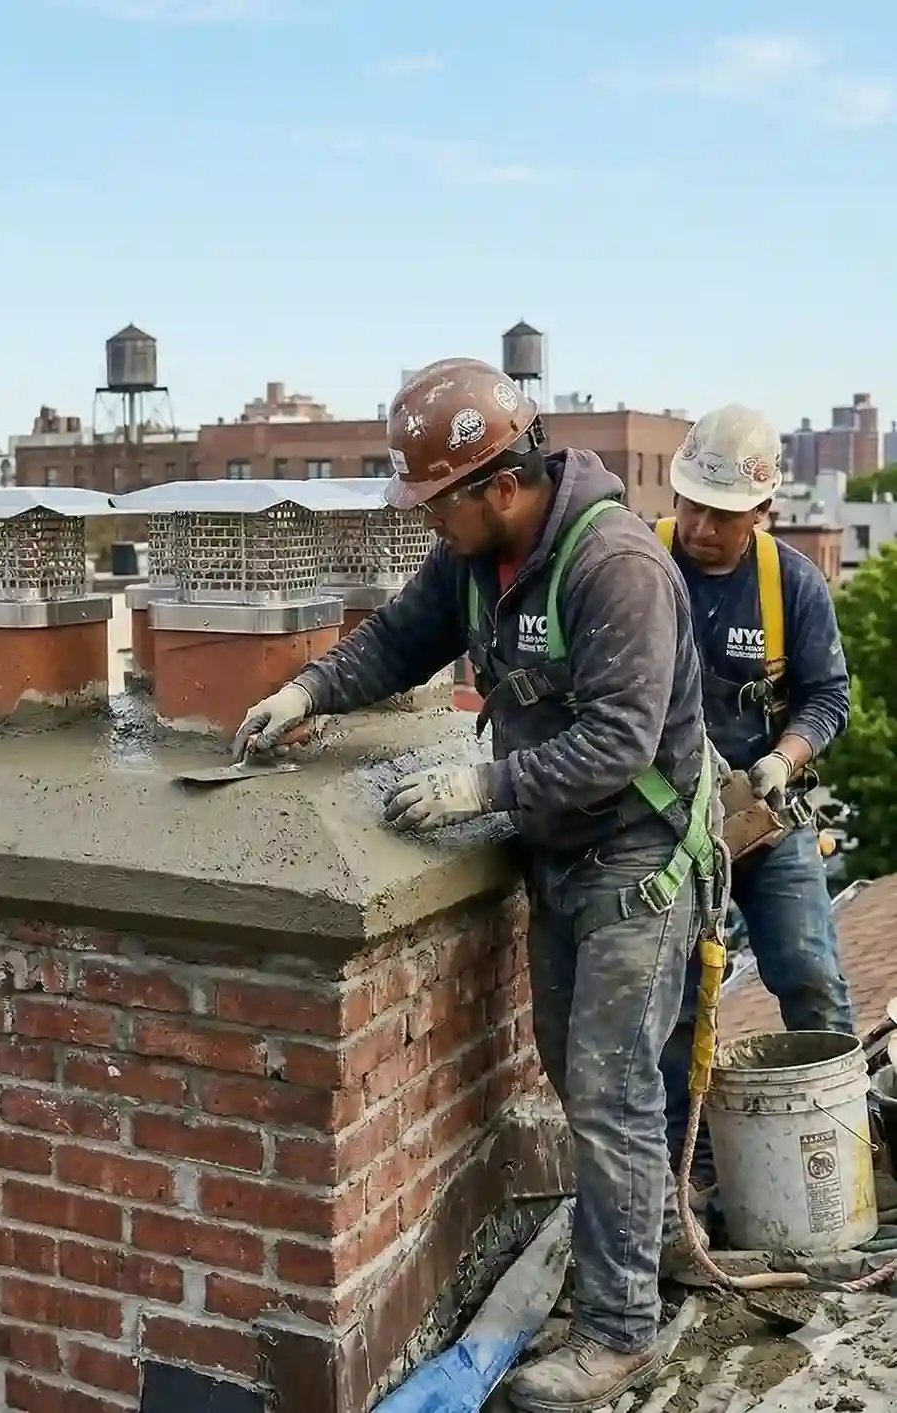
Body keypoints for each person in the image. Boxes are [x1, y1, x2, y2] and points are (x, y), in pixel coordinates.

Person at [233, 356, 721, 1413]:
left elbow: (617, 740)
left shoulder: (614, 568)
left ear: (500, 485)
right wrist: (307, 689)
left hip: (638, 858)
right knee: (585, 1076)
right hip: (561, 852)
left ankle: (619, 1331)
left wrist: (480, 784)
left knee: (610, 1091)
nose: (426, 526)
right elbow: (404, 637)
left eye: (435, 504)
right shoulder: (475, 561)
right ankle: (643, 1245)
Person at [655, 406, 854, 1192]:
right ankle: (688, 1169)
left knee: (807, 969)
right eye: (691, 505)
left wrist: (782, 756)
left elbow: (826, 699)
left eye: (722, 514)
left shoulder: (789, 586)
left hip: (762, 823)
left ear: (762, 512)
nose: (700, 526)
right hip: (665, 827)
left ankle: (836, 1141)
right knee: (671, 1001)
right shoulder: (641, 561)